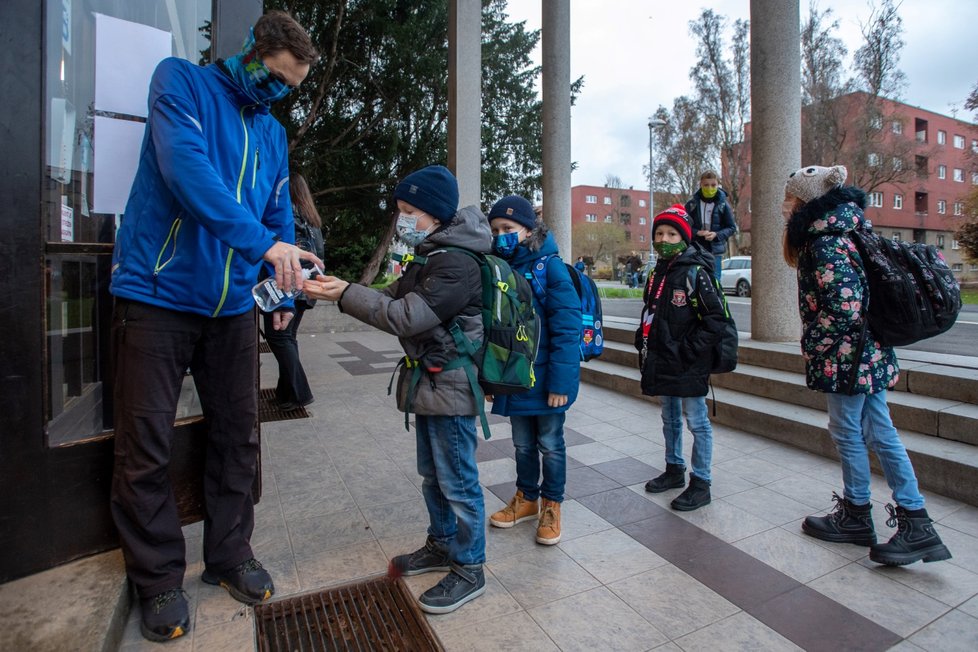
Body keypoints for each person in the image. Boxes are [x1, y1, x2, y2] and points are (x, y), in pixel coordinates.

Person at [108, 12, 319, 642]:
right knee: (144, 441)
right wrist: (263, 243)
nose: (280, 93)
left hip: (231, 308)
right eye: (275, 78)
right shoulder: (180, 83)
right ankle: (158, 578)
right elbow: (186, 173)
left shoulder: (273, 133)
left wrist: (281, 287)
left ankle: (228, 554)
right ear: (254, 54)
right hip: (158, 294)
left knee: (239, 435)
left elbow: (279, 212)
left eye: (291, 87)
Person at [303, 165, 490, 613]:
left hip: (452, 384)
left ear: (434, 212)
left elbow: (405, 316)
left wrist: (347, 293)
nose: (403, 220)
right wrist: (340, 289)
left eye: (409, 211)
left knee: (458, 480)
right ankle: (442, 543)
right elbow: (390, 296)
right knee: (434, 475)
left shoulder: (458, 262)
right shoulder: (432, 255)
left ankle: (470, 567)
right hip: (430, 381)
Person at [782, 165, 952, 566]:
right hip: (868, 352)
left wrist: (813, 342)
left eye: (790, 198)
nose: (784, 206)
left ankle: (859, 515)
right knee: (880, 432)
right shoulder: (849, 229)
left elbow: (844, 306)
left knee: (848, 433)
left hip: (848, 358)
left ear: (806, 201)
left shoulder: (824, 241)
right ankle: (914, 518)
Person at [485, 196, 581, 545]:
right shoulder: (498, 268)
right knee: (522, 444)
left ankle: (552, 505)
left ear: (528, 229)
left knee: (550, 444)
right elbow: (493, 328)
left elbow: (568, 329)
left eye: (508, 229)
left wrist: (561, 383)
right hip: (514, 376)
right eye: (495, 230)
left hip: (547, 379)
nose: (501, 235)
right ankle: (526, 498)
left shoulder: (549, 267)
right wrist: (492, 378)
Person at [638, 205, 727, 511]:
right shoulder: (656, 273)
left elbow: (716, 320)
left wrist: (689, 350)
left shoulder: (695, 272)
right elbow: (651, 311)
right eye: (659, 233)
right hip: (663, 358)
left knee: (697, 422)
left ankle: (701, 482)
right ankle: (674, 468)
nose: (664, 238)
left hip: (689, 362)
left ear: (685, 237)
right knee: (670, 418)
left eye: (672, 233)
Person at [262, 172, 325, 411]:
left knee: (279, 337)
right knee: (288, 338)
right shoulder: (311, 219)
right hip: (306, 289)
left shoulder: (290, 218)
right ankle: (286, 392)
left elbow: (282, 256)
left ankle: (299, 393)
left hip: (288, 290)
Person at [684, 170, 737, 281]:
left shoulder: (723, 205)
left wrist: (716, 234)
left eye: (713, 185)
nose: (709, 188)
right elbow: (684, 225)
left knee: (715, 279)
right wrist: (697, 232)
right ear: (701, 185)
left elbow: (732, 227)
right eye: (706, 185)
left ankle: (716, 298)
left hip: (715, 249)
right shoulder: (692, 204)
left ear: (718, 185)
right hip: (696, 248)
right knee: (694, 278)